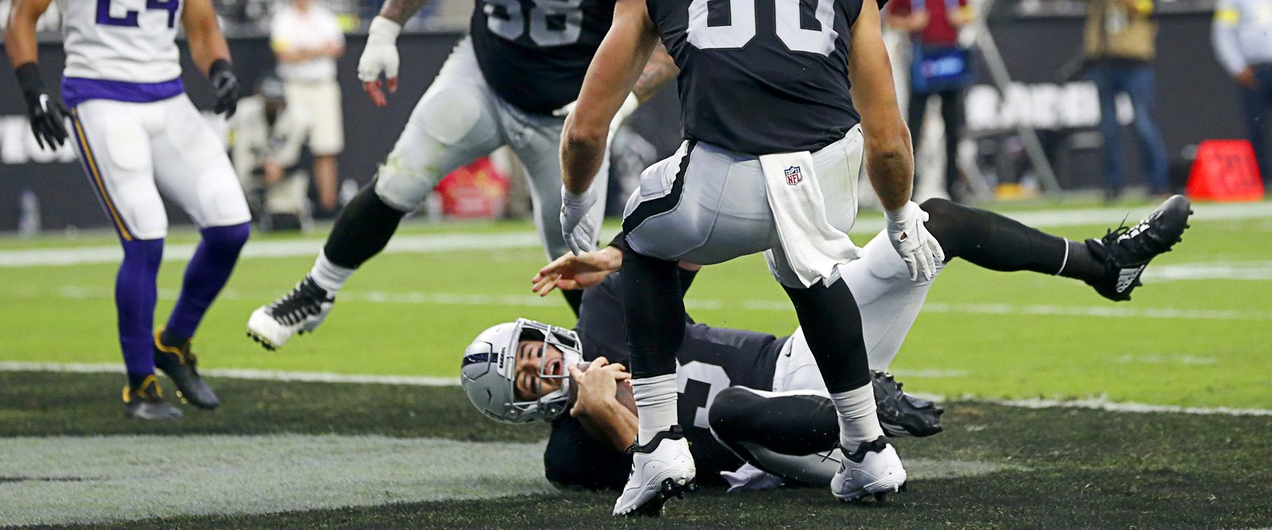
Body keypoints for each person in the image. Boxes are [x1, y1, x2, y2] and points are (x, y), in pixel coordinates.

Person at [559, 0, 936, 515]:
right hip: (829, 175)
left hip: (725, 181)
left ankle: (657, 443)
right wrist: (902, 215)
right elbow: (887, 134)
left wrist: (576, 206)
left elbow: (587, 126)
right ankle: (868, 449)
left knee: (643, 241)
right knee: (809, 268)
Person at [246, 0, 665, 350]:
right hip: (486, 73)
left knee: (572, 248)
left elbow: (668, 28)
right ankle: (317, 291)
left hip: (569, 108)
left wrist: (621, 101)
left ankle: (610, 362)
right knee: (401, 175)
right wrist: (386, 26)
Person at [461, 194, 1191, 490]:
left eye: (533, 352)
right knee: (733, 411)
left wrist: (623, 253)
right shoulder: (568, 453)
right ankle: (860, 410)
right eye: (529, 379)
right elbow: (668, 475)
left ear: (542, 330)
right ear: (525, 407)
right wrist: (600, 409)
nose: (544, 367)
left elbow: (685, 242)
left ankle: (1104, 264)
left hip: (805, 357)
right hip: (775, 454)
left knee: (930, 224)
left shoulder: (605, 318)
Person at [2, 0, 251, 420]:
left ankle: (175, 341)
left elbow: (200, 21)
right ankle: (140, 381)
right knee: (146, 235)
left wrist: (218, 67)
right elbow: (23, 16)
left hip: (167, 95)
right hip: (100, 96)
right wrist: (33, 89)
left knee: (230, 225)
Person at [1061, 0, 1170, 200]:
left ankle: (1158, 183)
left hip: (1135, 63)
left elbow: (1138, 8)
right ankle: (1113, 186)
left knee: (1143, 123)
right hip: (1103, 62)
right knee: (1107, 128)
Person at [886, 0, 974, 200]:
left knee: (953, 125)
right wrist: (911, 23)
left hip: (947, 56)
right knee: (914, 125)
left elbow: (969, 10)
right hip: (923, 58)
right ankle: (910, 184)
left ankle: (953, 185)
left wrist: (959, 17)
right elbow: (891, 19)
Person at [269, 0, 345, 215]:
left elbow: (335, 48)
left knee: (326, 147)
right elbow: (284, 54)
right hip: (295, 87)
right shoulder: (283, 18)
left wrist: (302, 53)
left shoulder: (324, 16)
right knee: (288, 149)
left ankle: (328, 205)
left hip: (322, 86)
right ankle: (287, 207)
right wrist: (316, 51)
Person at [1212, 0, 1272, 189]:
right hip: (1254, 69)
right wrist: (1237, 66)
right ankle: (1263, 180)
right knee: (1256, 127)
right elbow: (1223, 33)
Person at [231, 75, 314, 231]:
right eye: (270, 102)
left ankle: (295, 210)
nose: (273, 107)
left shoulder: (300, 117)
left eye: (276, 102)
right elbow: (235, 151)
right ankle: (250, 208)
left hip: (285, 177)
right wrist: (260, 168)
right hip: (252, 175)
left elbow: (306, 158)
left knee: (284, 214)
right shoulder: (244, 113)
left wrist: (281, 169)